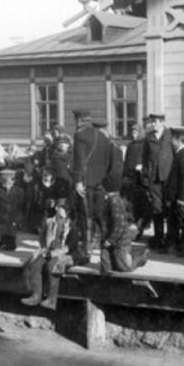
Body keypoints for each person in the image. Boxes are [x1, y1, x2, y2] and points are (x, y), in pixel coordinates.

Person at [71, 110, 112, 261]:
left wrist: (78, 181)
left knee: (85, 215)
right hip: (100, 182)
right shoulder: (102, 136)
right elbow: (107, 161)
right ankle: (106, 248)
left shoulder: (80, 135)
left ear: (78, 120)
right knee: (100, 215)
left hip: (86, 182)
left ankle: (86, 250)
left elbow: (79, 160)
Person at [21, 197, 76, 310]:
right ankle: (36, 295)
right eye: (63, 208)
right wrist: (42, 249)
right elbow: (42, 238)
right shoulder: (49, 222)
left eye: (67, 209)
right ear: (56, 208)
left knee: (52, 266)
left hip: (63, 253)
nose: (66, 211)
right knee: (35, 264)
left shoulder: (71, 225)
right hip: (48, 250)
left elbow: (71, 245)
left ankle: (52, 299)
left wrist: (57, 253)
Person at [141, 113, 174, 250]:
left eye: (155, 122)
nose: (152, 124)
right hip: (154, 178)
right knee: (157, 208)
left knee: (169, 208)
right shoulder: (148, 138)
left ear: (162, 122)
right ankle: (158, 238)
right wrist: (146, 175)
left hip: (168, 177)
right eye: (151, 122)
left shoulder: (170, 135)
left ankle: (171, 239)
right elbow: (144, 158)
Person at [164, 126, 184, 255]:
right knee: (175, 220)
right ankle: (175, 246)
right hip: (178, 196)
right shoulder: (182, 153)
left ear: (178, 140)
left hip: (182, 197)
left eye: (172, 139)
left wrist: (182, 199)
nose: (171, 142)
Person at [100, 190, 148, 273]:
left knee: (126, 268)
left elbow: (120, 225)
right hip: (114, 240)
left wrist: (110, 240)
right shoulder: (112, 200)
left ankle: (140, 257)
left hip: (120, 242)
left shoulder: (114, 202)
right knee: (110, 266)